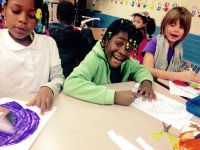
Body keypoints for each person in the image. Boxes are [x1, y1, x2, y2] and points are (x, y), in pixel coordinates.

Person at [63, 18, 156, 106]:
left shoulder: (126, 62)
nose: (123, 52)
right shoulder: (95, 59)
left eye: (129, 48)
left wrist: (146, 82)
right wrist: (115, 96)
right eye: (118, 44)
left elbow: (140, 69)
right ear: (105, 41)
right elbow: (70, 84)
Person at [0, 0, 65, 114]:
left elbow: (58, 77)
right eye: (16, 11)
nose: (23, 19)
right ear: (3, 10)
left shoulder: (48, 44)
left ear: (37, 19)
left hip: (41, 114)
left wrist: (49, 88)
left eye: (31, 15)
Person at [142, 7, 200, 83]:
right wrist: (178, 75)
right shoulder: (153, 44)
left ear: (185, 31)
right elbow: (147, 70)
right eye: (172, 25)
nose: (176, 30)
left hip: (166, 87)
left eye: (181, 27)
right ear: (164, 25)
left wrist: (186, 74)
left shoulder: (178, 48)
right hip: (149, 84)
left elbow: (171, 69)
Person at [43, 1, 95, 78]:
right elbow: (89, 47)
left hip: (50, 74)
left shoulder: (47, 31)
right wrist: (87, 31)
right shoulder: (79, 35)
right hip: (70, 75)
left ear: (57, 16)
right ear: (74, 17)